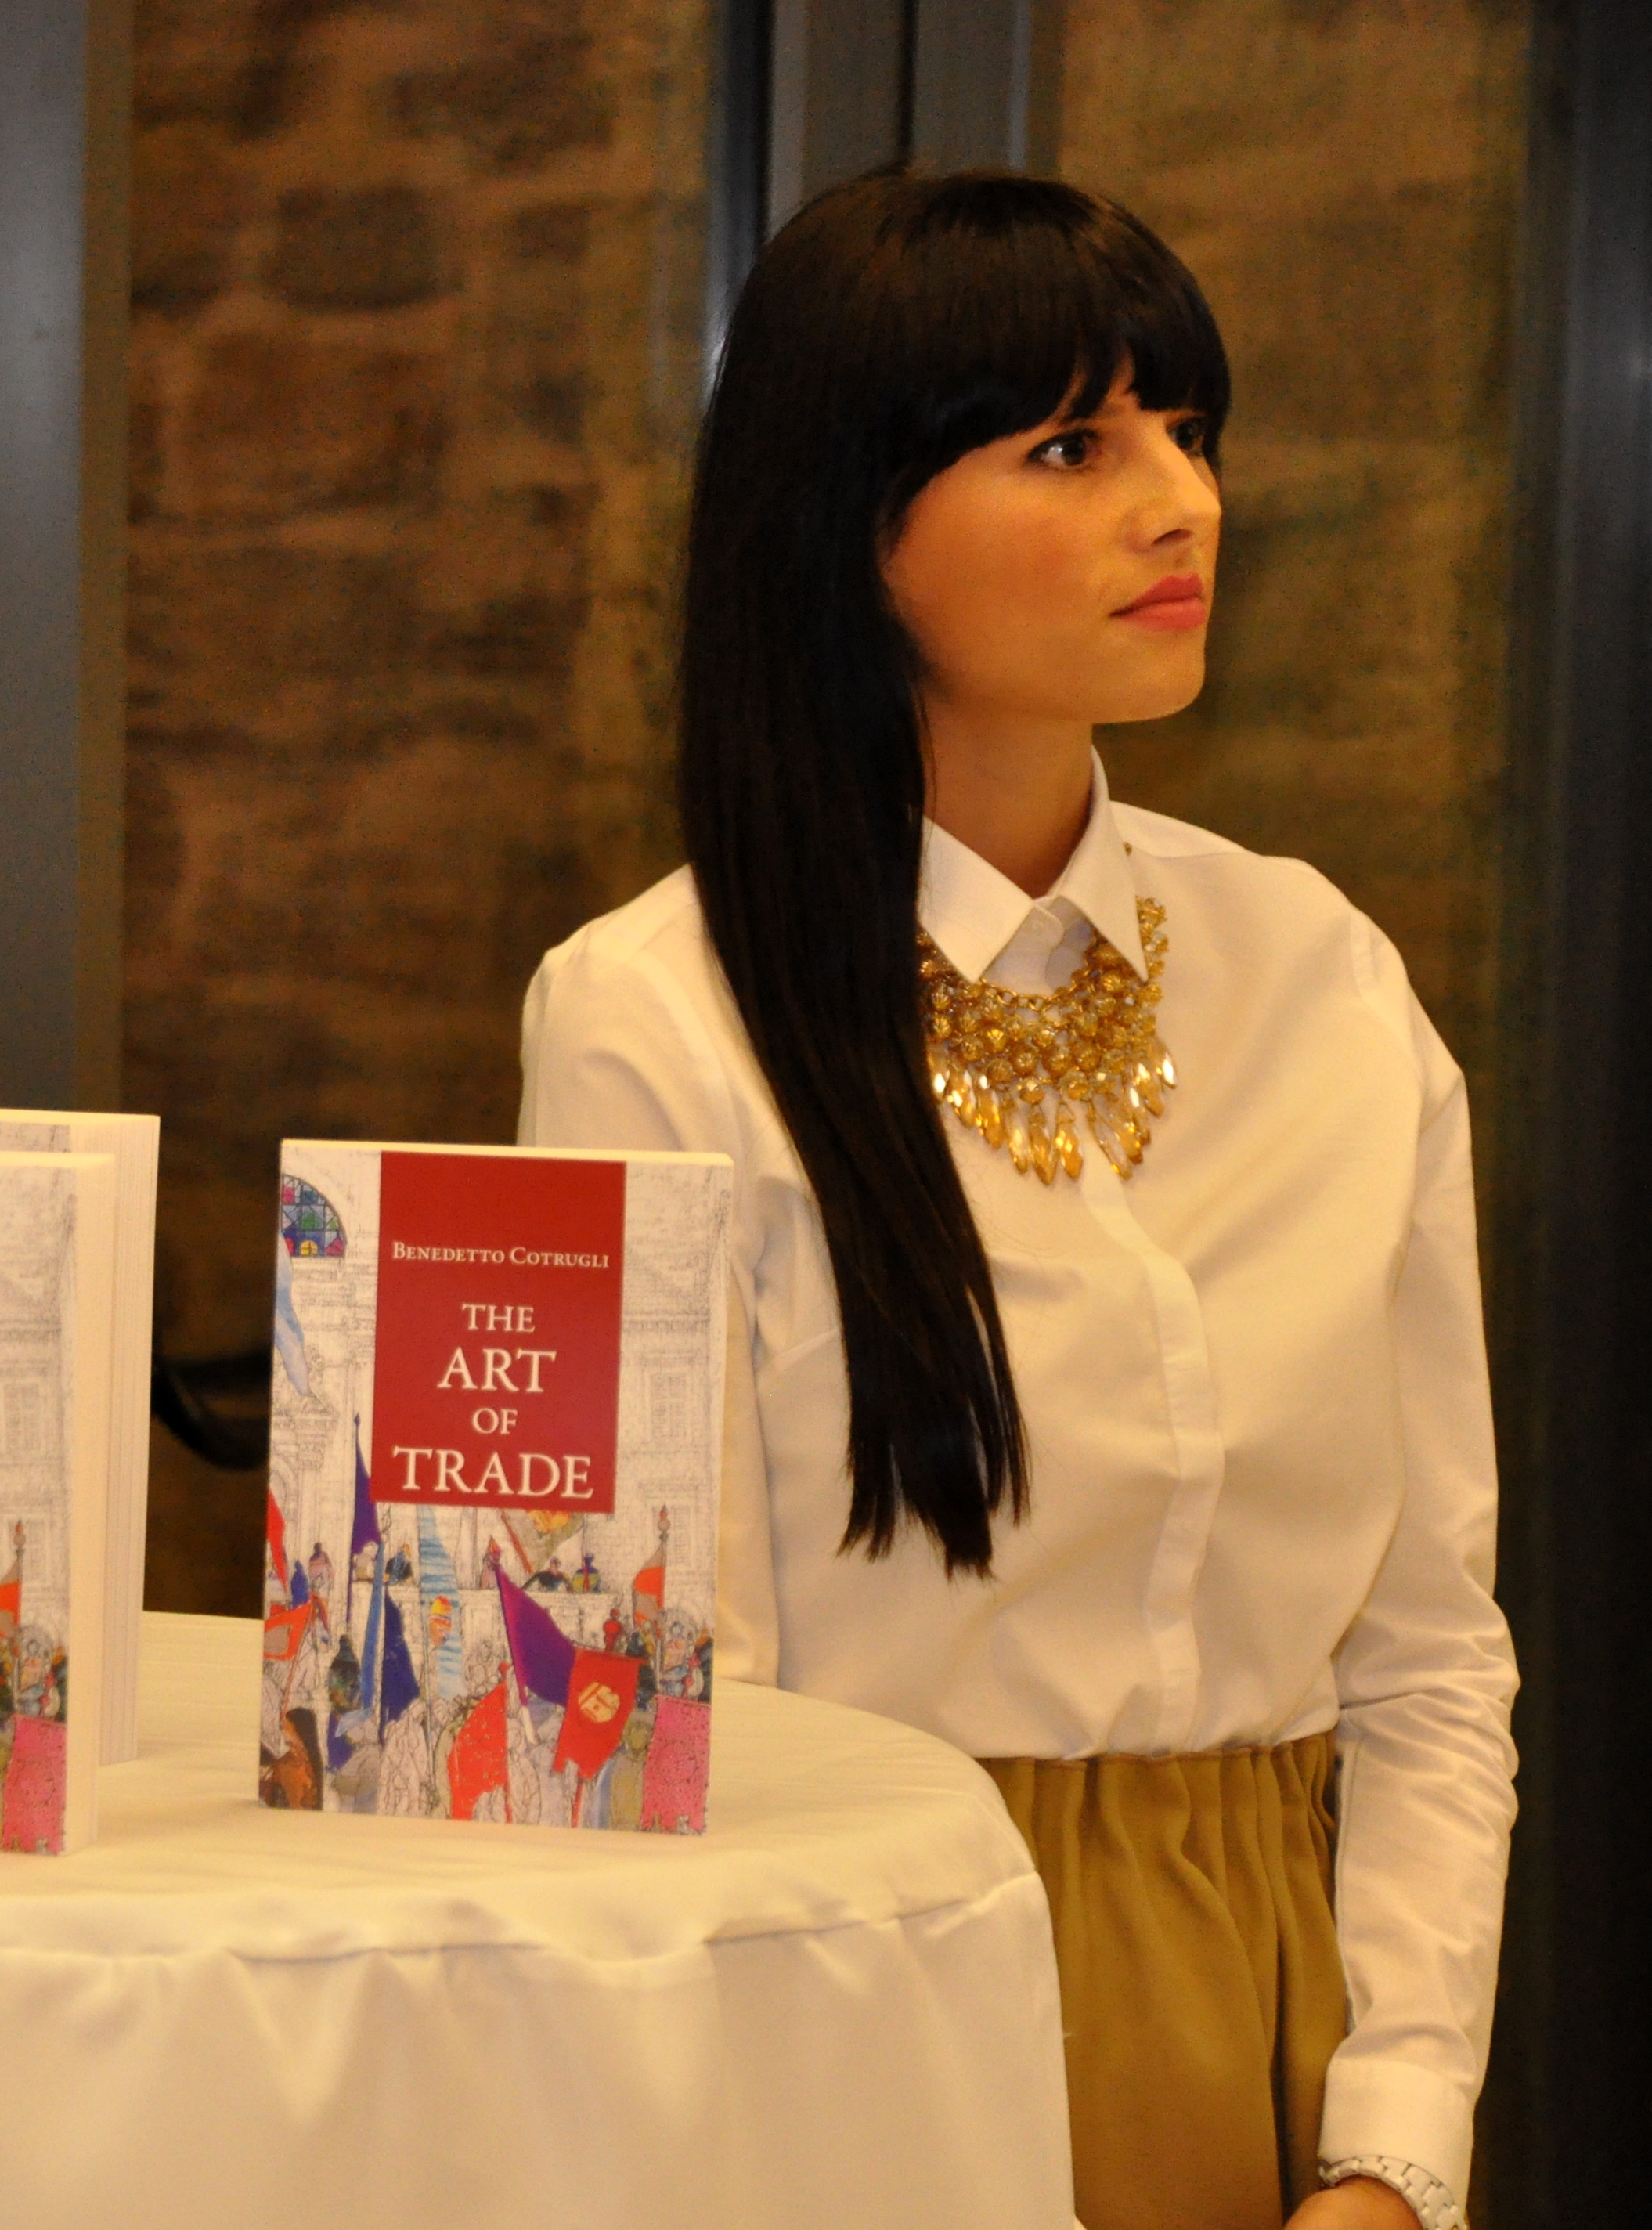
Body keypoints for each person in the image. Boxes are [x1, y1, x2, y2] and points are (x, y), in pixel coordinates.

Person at [517, 171, 1510, 2230]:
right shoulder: (658, 1015)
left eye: (1188, 432)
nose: (1182, 504)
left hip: (1278, 2007)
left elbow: (1428, 1653)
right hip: (859, 2018)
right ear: (850, 525)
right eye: (1073, 447)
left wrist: (1397, 2150)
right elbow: (678, 1706)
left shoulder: (1320, 974)